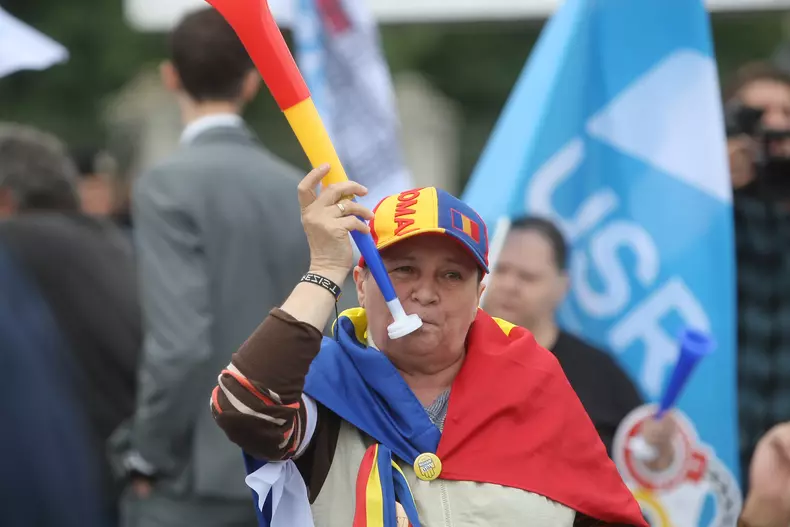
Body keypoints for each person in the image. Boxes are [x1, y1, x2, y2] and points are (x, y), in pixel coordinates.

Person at [211, 166, 649, 527]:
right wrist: (326, 267)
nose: (425, 292)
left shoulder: (534, 382)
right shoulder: (319, 382)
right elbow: (245, 409)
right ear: (362, 285)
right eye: (402, 270)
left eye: (452, 275)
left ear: (479, 294)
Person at [116, 7, 310, 527]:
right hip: (288, 464)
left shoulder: (165, 185)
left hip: (195, 474)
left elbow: (179, 345)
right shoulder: (294, 188)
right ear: (251, 83)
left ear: (170, 77)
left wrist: (147, 452)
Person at [0, 122, 141, 525]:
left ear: (6, 200)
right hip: (132, 475)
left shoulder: (17, 249)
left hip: (70, 480)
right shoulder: (112, 243)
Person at [482, 216, 675, 467]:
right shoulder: (450, 358)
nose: (509, 285)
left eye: (527, 277)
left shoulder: (600, 374)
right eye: (500, 269)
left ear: (562, 286)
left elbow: (646, 463)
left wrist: (659, 450)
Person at [724, 61, 790, 487]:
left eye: (786, 114)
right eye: (757, 115)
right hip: (723, 429)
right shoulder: (706, 202)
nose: (774, 128)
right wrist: (715, 184)